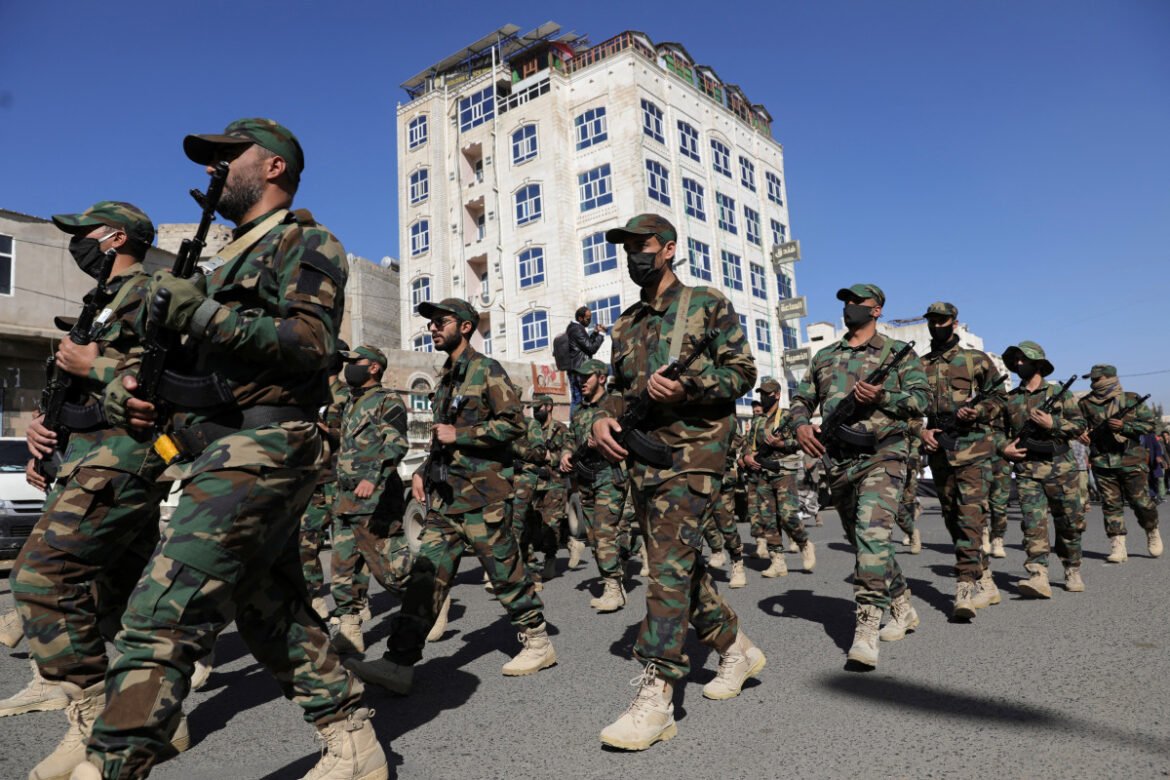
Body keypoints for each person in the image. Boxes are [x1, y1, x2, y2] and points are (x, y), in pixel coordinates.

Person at [88, 118, 386, 780]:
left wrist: (197, 313)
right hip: (217, 445)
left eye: (228, 155)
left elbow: (311, 342)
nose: (211, 169)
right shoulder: (221, 263)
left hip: (266, 441)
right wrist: (127, 391)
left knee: (162, 612)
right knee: (266, 606)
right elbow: (192, 369)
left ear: (274, 166)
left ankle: (108, 764)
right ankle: (352, 740)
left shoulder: (305, 241)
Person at [9, 202, 185, 777]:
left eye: (84, 235)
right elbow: (74, 390)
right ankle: (157, 718)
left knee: (40, 577)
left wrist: (95, 368)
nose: (77, 244)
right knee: (117, 602)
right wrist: (45, 431)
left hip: (124, 459)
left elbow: (164, 381)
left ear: (115, 238)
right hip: (89, 457)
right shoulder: (99, 302)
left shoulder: (153, 293)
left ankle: (92, 723)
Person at [590, 214, 763, 751]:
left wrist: (688, 386)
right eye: (627, 249)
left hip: (695, 452)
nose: (633, 256)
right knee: (677, 564)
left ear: (668, 249)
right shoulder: (625, 324)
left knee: (665, 566)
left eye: (642, 246)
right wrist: (600, 420)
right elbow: (616, 391)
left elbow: (742, 372)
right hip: (645, 458)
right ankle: (734, 649)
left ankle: (657, 694)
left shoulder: (705, 303)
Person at [347, 298, 555, 696]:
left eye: (440, 321)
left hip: (483, 496)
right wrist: (424, 469)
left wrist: (461, 435)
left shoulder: (486, 370)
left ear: (464, 326)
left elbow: (513, 425)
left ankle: (538, 641)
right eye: (431, 323)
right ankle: (398, 663)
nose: (433, 328)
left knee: (504, 572)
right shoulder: (446, 378)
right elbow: (442, 438)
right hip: (446, 499)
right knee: (424, 579)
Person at [791, 283, 928, 669]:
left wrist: (882, 397)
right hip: (839, 461)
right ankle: (902, 605)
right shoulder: (825, 357)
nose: (850, 307)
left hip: (884, 455)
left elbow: (922, 399)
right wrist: (800, 425)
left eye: (857, 302)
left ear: (877, 310)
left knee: (872, 536)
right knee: (866, 542)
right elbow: (801, 399)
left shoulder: (897, 353)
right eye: (846, 302)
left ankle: (866, 628)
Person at [918, 302, 1007, 619]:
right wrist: (921, 432)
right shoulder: (920, 365)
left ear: (954, 323)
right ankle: (986, 579)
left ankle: (964, 587)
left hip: (973, 449)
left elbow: (999, 397)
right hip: (940, 450)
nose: (936, 325)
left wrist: (978, 410)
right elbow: (908, 408)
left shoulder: (975, 360)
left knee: (971, 518)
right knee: (953, 519)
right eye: (932, 320)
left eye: (942, 320)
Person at [330, 345, 411, 655]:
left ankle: (427, 602)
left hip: (375, 498)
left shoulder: (388, 401)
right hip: (345, 499)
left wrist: (372, 476)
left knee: (391, 570)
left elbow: (396, 444)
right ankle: (349, 629)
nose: (349, 366)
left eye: (356, 362)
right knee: (343, 569)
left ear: (374, 367)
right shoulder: (351, 403)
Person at [999, 341, 1087, 596]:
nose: (1018, 363)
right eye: (1016, 360)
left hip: (1061, 469)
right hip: (1027, 470)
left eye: (1023, 359)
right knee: (1032, 524)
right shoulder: (1011, 399)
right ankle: (1037, 574)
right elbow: (1000, 433)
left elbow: (1080, 425)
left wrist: (1053, 423)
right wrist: (1004, 448)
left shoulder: (1059, 392)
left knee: (1069, 523)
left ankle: (1072, 567)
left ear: (1037, 363)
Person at [561, 359, 629, 611]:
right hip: (585, 478)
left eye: (586, 376)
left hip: (609, 474)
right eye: (579, 377)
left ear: (601, 377)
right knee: (592, 535)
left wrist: (602, 440)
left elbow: (626, 434)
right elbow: (570, 438)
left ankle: (613, 588)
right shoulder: (579, 411)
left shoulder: (615, 404)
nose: (581, 381)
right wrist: (566, 453)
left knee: (603, 531)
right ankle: (614, 576)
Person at [1076, 364, 1162, 561]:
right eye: (1092, 379)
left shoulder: (1131, 399)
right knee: (1110, 505)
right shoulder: (1085, 403)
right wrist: (1081, 434)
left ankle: (1151, 530)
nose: (1093, 383)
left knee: (1141, 503)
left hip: (1131, 460)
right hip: (1102, 461)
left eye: (1097, 379)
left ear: (1110, 378)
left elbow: (1150, 425)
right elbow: (1078, 425)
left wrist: (1125, 427)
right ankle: (1117, 545)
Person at [744, 378, 816, 578]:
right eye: (761, 394)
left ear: (777, 395)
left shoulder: (788, 416)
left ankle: (804, 543)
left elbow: (801, 442)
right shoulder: (757, 420)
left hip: (784, 471)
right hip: (763, 473)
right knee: (768, 519)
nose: (762, 398)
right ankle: (777, 562)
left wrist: (781, 444)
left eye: (766, 394)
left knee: (788, 515)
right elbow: (748, 445)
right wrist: (747, 456)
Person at [299, 341, 350, 619]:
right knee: (305, 542)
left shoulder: (347, 395)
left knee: (347, 547)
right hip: (314, 480)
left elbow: (357, 437)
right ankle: (314, 597)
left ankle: (355, 601)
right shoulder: (310, 395)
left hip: (340, 479)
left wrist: (328, 431)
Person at [703, 426, 748, 589]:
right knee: (700, 520)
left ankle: (737, 562)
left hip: (722, 477)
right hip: (699, 478)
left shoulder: (724, 420)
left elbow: (741, 441)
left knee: (726, 522)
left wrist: (744, 456)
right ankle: (716, 550)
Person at [567, 306, 606, 411]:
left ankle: (579, 418)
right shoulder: (577, 329)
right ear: (580, 318)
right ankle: (576, 420)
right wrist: (601, 335)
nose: (589, 321)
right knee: (578, 400)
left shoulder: (574, 328)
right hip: (579, 369)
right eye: (588, 319)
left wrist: (595, 333)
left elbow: (586, 345)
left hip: (575, 368)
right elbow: (591, 349)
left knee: (578, 399)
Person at [895, 419, 924, 554]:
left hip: (907, 458)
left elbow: (917, 433)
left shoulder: (907, 410)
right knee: (892, 499)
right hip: (884, 458)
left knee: (907, 497)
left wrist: (913, 455)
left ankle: (910, 532)